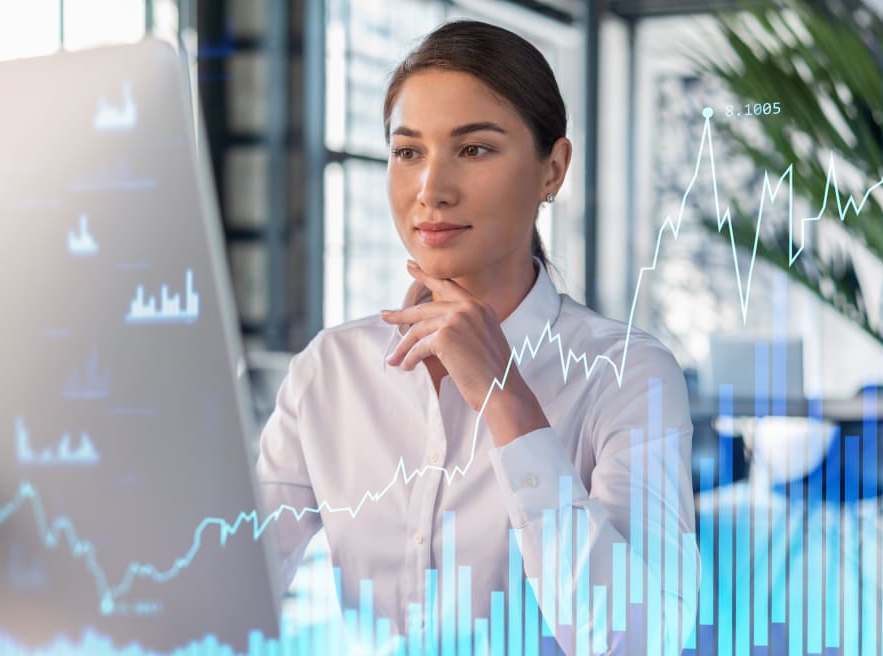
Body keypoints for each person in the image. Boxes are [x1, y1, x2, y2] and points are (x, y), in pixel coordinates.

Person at [256, 20, 698, 654]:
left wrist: (506, 398)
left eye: (475, 149)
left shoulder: (628, 375)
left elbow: (638, 640)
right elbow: (231, 594)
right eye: (408, 151)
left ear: (554, 169)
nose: (431, 191)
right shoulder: (331, 370)